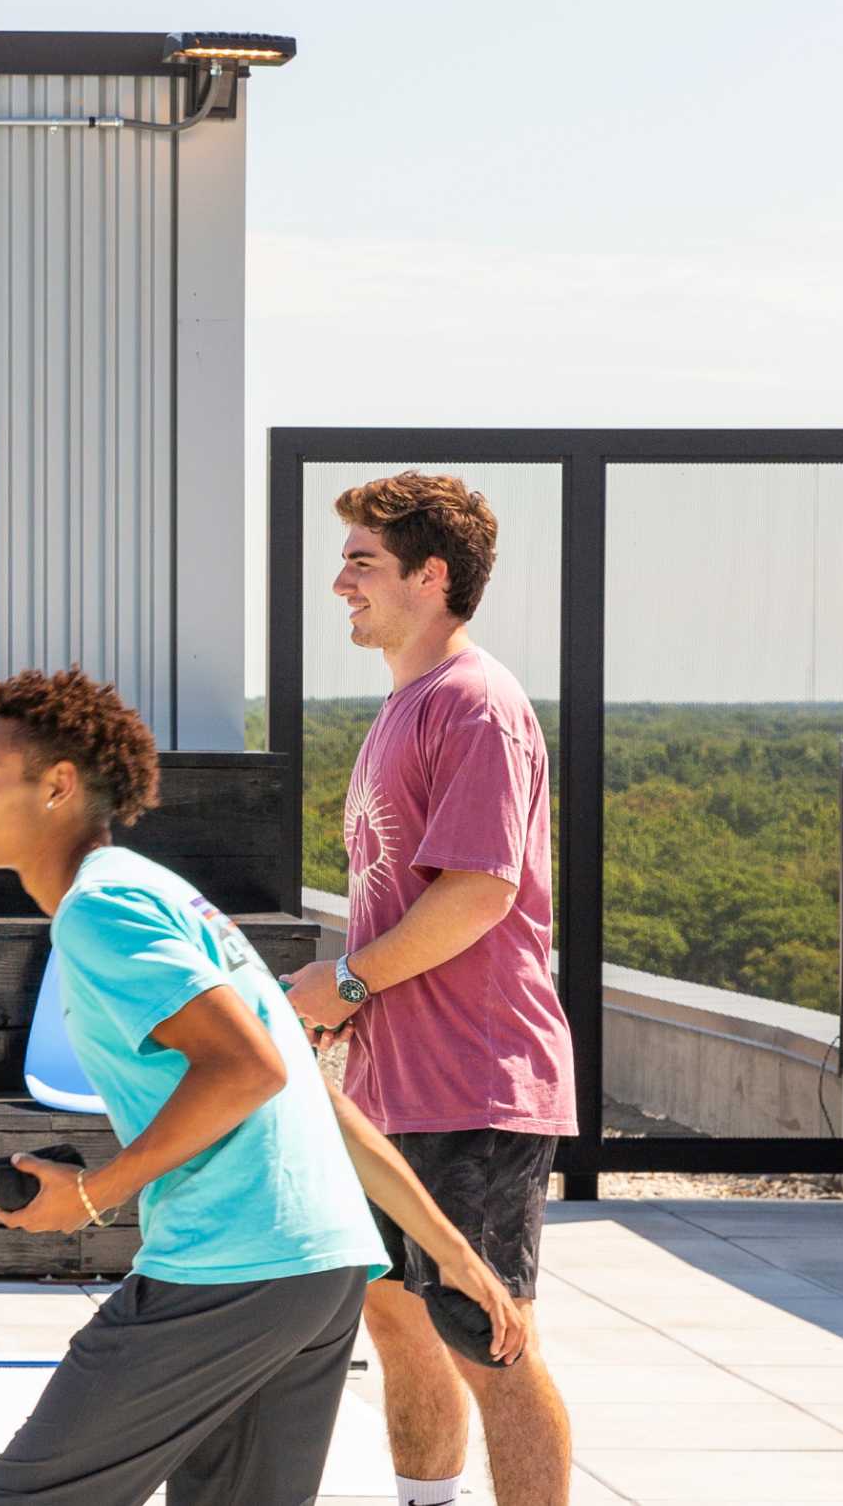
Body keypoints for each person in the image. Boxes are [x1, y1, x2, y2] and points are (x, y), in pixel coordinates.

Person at [0, 667, 529, 1506]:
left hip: (235, 1262)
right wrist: (451, 1253)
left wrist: (91, 1195)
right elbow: (312, 1092)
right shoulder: (161, 891)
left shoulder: (100, 908)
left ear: (58, 787)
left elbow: (252, 1068)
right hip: (321, 1266)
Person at [282, 472, 576, 1506]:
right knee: (398, 1321)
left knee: (483, 1333)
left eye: (362, 560)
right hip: (388, 1084)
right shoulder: (406, 705)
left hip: (475, 1077)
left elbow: (479, 894)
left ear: (430, 574)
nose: (339, 582)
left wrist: (348, 977)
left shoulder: (474, 705)